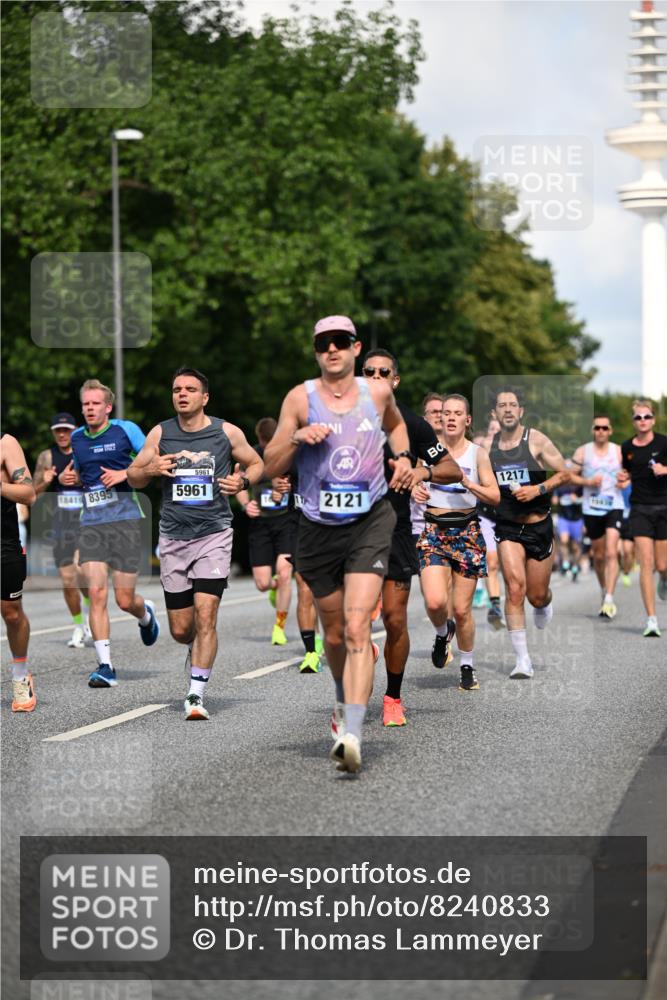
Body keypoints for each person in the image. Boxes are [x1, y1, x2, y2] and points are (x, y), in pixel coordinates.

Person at [264, 315, 415, 773]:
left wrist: (404, 458)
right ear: (315, 351)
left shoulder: (378, 394)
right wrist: (295, 437)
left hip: (369, 520)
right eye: (323, 344)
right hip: (316, 526)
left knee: (355, 628)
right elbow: (271, 465)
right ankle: (340, 697)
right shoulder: (300, 398)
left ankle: (353, 731)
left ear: (355, 347)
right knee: (332, 633)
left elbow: (398, 428)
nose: (332, 350)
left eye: (341, 342)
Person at [128, 367, 263, 719]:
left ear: (205, 397)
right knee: (181, 629)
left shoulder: (225, 431)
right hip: (174, 537)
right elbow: (133, 477)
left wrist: (243, 480)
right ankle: (193, 646)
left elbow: (256, 462)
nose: (181, 394)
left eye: (190, 389)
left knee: (207, 615)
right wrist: (150, 469)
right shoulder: (160, 433)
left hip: (214, 534)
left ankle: (195, 694)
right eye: (176, 389)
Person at [362, 351, 462, 725]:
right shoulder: (343, 419)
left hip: (396, 531)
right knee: (352, 619)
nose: (375, 377)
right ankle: (353, 697)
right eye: (368, 372)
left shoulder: (412, 423)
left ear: (395, 380)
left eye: (383, 372)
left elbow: (450, 468)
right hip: (352, 531)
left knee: (394, 620)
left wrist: (422, 474)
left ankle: (392, 698)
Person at [67, 379, 160, 688]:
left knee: (123, 600)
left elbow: (153, 459)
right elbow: (82, 474)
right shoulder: (77, 438)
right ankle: (105, 666)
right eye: (85, 404)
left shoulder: (126, 430)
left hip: (126, 520)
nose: (89, 408)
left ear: (107, 407)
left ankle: (144, 614)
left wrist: (126, 473)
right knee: (96, 592)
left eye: (95, 404)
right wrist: (72, 477)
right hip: (92, 522)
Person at [413, 394, 500, 691]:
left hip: (467, 533)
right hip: (434, 531)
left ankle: (467, 665)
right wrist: (415, 490)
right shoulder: (427, 451)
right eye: (445, 413)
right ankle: (441, 632)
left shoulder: (477, 454)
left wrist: (467, 482)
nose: (449, 417)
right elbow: (413, 479)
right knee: (436, 601)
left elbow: (495, 496)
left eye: (457, 413)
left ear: (467, 420)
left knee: (462, 610)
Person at [489, 386, 569, 679]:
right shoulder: (488, 445)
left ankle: (545, 602)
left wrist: (538, 488)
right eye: (502, 405)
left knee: (536, 596)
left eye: (513, 405)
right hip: (508, 525)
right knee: (514, 588)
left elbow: (564, 473)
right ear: (495, 413)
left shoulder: (535, 439)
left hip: (538, 524)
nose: (508, 409)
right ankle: (523, 660)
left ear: (520, 411)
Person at [237, 418, 297, 647]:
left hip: (286, 522)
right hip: (260, 524)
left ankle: (279, 626)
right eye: (265, 443)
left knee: (284, 574)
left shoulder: (289, 454)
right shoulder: (251, 455)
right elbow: (239, 485)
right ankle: (274, 588)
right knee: (262, 583)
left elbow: (301, 482)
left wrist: (284, 490)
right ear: (260, 439)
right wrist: (246, 504)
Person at [34, 412, 91, 647]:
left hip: (86, 523)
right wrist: (46, 480)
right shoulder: (47, 457)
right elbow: (32, 495)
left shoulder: (85, 452)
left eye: (66, 430)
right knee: (68, 581)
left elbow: (101, 482)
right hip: (60, 526)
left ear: (74, 431)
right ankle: (79, 626)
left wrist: (78, 479)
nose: (61, 434)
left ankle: (91, 618)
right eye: (57, 430)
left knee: (82, 571)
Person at [619, 399, 667, 637]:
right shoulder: (626, 447)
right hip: (639, 509)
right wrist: (622, 479)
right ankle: (651, 619)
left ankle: (665, 578)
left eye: (647, 416)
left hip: (664, 507)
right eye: (638, 417)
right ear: (633, 421)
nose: (643, 421)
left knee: (662, 565)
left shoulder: (664, 443)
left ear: (653, 419)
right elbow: (626, 473)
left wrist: (665, 470)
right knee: (646, 563)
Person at [570, 417, 625, 618]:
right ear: (593, 430)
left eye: (605, 428)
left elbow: (629, 474)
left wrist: (624, 480)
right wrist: (588, 481)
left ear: (610, 430)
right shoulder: (583, 451)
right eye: (597, 428)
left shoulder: (618, 451)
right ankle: (604, 590)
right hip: (591, 508)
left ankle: (609, 598)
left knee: (612, 553)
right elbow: (569, 476)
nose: (601, 431)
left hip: (614, 506)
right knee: (599, 557)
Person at [1, 434, 37, 711]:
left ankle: (20, 675)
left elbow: (28, 493)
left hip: (4, 543)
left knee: (12, 612)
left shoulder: (6, 443)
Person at [472, 417, 505, 628]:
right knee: (491, 561)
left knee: (511, 567)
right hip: (485, 512)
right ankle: (495, 605)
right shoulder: (479, 451)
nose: (495, 432)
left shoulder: (516, 452)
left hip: (509, 514)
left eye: (499, 429)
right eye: (492, 429)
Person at [553, 473, 584, 582]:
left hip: (577, 519)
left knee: (576, 546)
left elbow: (586, 499)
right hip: (564, 518)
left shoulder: (579, 486)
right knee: (563, 540)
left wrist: (578, 500)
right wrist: (556, 499)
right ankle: (566, 563)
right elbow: (554, 499)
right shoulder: (560, 487)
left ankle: (575, 566)